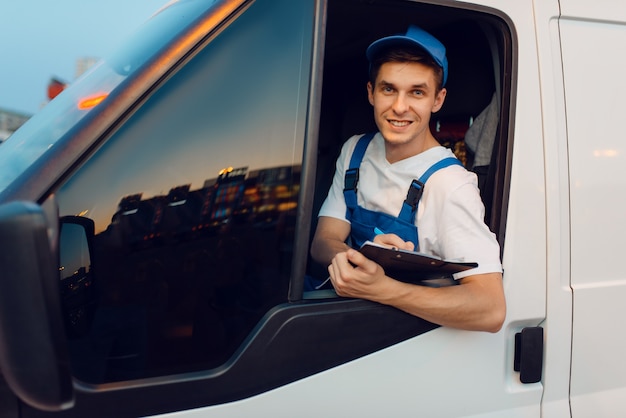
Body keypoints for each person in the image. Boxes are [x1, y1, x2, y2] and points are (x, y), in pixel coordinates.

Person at [310, 25, 505, 333]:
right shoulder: (355, 151)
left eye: (417, 92)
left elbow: (490, 308)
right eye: (389, 89)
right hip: (345, 321)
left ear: (437, 100)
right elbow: (322, 242)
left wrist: (382, 288)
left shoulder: (450, 184)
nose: (400, 107)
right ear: (371, 92)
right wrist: (358, 258)